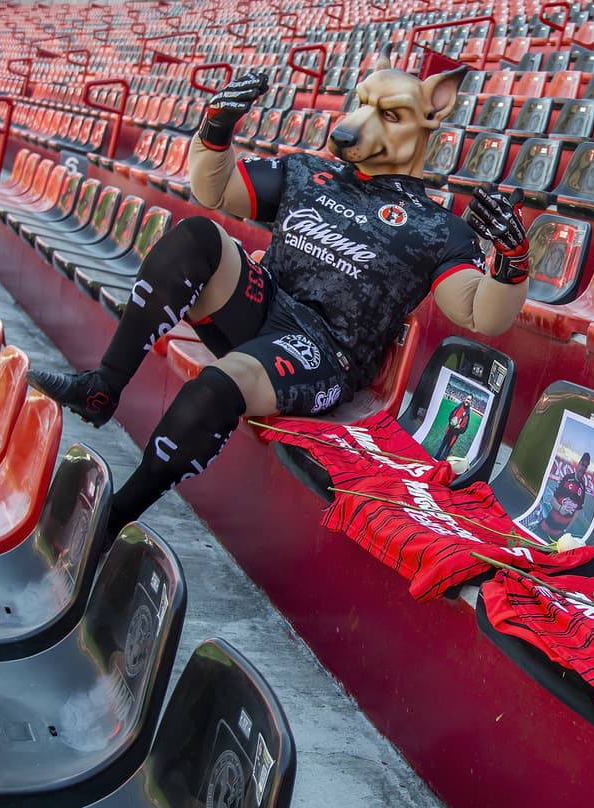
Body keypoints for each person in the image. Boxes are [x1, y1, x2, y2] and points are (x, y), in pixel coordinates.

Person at [26, 58, 532, 534]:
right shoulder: (307, 174)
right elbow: (215, 190)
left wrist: (510, 261)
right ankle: (103, 386)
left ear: (432, 115)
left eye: (390, 114)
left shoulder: (438, 229)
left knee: (216, 386)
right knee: (197, 235)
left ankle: (111, 520)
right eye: (361, 103)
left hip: (323, 353)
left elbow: (477, 312)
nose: (354, 126)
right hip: (263, 305)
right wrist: (216, 129)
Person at [537, 452, 591, 540]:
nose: (583, 468)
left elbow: (576, 512)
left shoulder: (583, 488)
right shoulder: (567, 478)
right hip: (545, 528)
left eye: (586, 466)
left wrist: (566, 530)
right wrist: (560, 508)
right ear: (578, 464)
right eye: (582, 464)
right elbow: (552, 499)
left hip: (558, 536)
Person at [432, 395, 472, 460]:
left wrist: (459, 428)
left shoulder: (468, 413)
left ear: (471, 402)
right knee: (441, 447)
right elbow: (451, 414)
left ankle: (441, 463)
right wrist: (451, 421)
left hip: (454, 435)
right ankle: (435, 459)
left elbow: (464, 429)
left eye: (469, 400)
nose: (468, 401)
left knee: (447, 451)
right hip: (449, 430)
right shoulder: (458, 406)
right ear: (465, 399)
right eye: (467, 399)